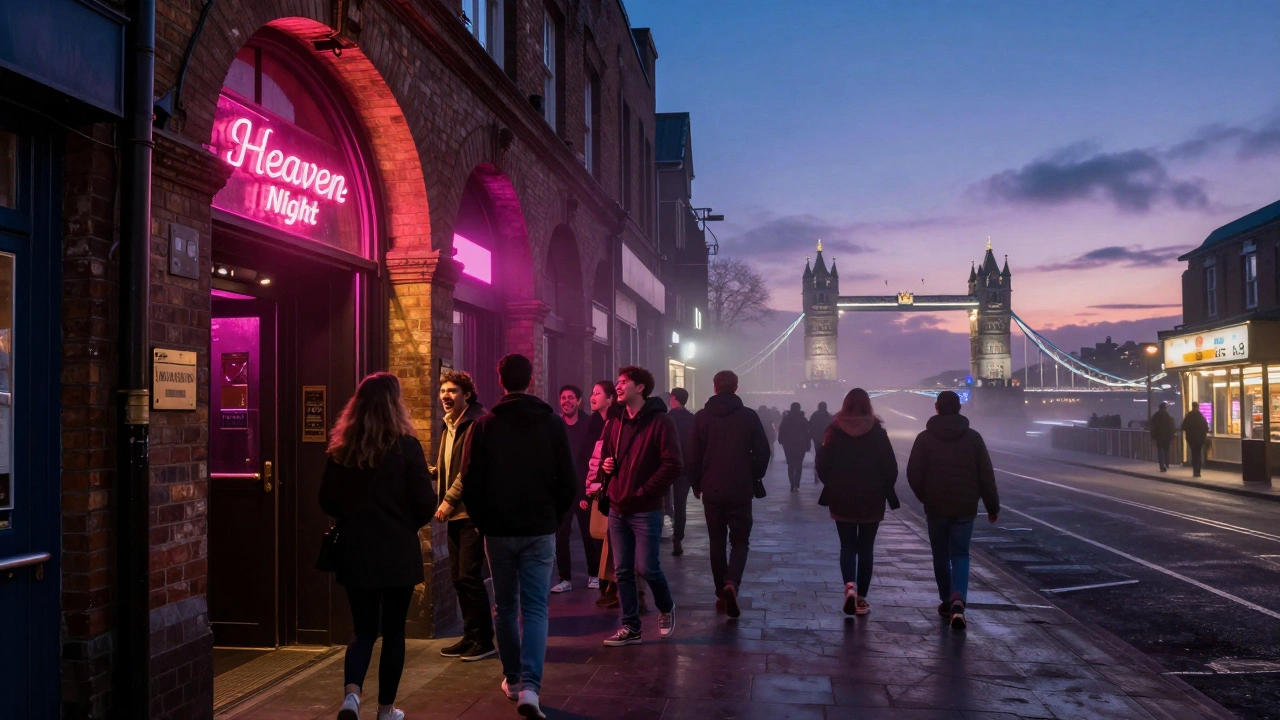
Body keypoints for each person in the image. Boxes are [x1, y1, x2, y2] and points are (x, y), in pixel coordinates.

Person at [461, 354, 576, 719]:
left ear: (500, 381)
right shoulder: (553, 425)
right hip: (539, 528)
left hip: (498, 530)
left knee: (505, 607)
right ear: (531, 379)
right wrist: (552, 518)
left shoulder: (483, 426)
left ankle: (511, 679)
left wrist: (482, 521)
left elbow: (470, 482)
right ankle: (530, 688)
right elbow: (568, 481)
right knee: (536, 608)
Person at [319, 372, 434, 720]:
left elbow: (326, 499)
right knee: (394, 631)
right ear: (394, 405)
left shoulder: (343, 450)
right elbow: (426, 504)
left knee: (364, 629)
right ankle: (385, 710)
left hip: (356, 552)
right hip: (397, 552)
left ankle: (351, 697)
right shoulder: (406, 447)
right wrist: (403, 524)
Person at [600, 366, 681, 646]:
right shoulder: (615, 423)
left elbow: (673, 464)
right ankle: (631, 627)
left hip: (646, 509)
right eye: (617, 382)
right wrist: (606, 467)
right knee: (622, 571)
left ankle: (666, 607)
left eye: (624, 382)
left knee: (647, 567)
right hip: (617, 507)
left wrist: (645, 491)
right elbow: (606, 461)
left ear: (640, 388)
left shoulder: (661, 422)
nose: (618, 387)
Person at [906, 390, 999, 632]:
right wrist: (992, 506)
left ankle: (947, 601)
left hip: (936, 505)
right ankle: (959, 599)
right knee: (960, 554)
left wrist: (925, 496)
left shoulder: (924, 438)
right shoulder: (974, 438)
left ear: (936, 408)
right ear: (959, 408)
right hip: (965, 505)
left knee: (940, 554)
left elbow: (913, 473)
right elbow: (986, 475)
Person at [685, 370, 770, 618]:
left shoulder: (701, 418)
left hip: (711, 489)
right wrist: (754, 476)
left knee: (716, 541)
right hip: (741, 489)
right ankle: (732, 582)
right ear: (735, 388)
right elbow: (763, 452)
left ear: (714, 387)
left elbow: (692, 455)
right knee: (740, 541)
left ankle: (720, 590)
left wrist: (696, 483)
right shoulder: (749, 417)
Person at [815, 388, 899, 617]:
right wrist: (881, 488)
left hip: (842, 496)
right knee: (866, 548)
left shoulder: (833, 431)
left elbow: (822, 463)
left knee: (847, 545)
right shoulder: (878, 432)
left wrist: (832, 484)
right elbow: (890, 468)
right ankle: (861, 598)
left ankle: (849, 586)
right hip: (872, 498)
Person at [432, 371, 495, 661]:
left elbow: (468, 471)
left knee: (469, 576)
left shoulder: (475, 423)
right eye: (443, 390)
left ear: (467, 394)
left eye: (453, 390)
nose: (446, 395)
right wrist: (432, 472)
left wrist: (447, 500)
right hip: (456, 514)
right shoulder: (449, 426)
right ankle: (470, 635)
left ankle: (484, 639)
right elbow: (450, 466)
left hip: (470, 512)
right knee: (458, 577)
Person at [553, 384, 601, 593]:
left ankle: (594, 574)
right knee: (561, 536)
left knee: (588, 534)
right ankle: (565, 578)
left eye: (571, 397)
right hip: (562, 490)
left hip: (584, 488)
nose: (566, 401)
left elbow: (593, 458)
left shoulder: (589, 424)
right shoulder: (555, 424)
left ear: (579, 400)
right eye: (563, 398)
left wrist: (587, 489)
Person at [667, 387, 696, 557]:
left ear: (674, 398)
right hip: (684, 467)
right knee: (680, 505)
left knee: (660, 503)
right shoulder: (692, 419)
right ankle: (677, 538)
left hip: (666, 466)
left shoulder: (666, 419)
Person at [777, 402, 811, 492]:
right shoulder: (803, 419)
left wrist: (780, 439)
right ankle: (797, 484)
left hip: (788, 444)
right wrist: (808, 444)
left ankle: (792, 482)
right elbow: (807, 433)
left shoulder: (786, 419)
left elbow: (781, 430)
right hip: (800, 444)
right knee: (799, 464)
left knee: (790, 464)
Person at [1181, 403, 1209, 477]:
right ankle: (1198, 471)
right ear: (1197, 407)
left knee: (1194, 453)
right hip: (1200, 439)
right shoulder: (1201, 417)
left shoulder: (1188, 416)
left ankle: (1195, 470)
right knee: (1198, 453)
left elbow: (1183, 427)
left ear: (1192, 407)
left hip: (1191, 439)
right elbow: (1206, 428)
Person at [808, 401, 834, 483]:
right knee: (825, 453)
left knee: (818, 452)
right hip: (826, 438)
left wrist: (811, 435)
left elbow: (810, 426)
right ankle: (823, 466)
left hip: (817, 438)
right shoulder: (828, 416)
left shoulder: (815, 415)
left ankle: (817, 465)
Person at [1149, 402, 1177, 473]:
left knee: (1160, 451)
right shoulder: (1168, 416)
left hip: (1159, 437)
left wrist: (1153, 436)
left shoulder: (1155, 416)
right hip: (1167, 437)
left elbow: (1152, 427)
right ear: (1165, 408)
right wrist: (1172, 435)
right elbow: (1172, 427)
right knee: (1166, 450)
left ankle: (1162, 465)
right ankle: (1166, 463)